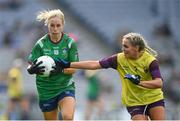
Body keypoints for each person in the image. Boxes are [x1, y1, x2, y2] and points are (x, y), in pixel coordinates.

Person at [56, 32, 165, 120]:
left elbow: (159, 83)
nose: (123, 49)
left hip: (153, 98)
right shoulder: (119, 59)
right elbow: (95, 64)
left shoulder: (150, 61)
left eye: (126, 46)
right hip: (134, 101)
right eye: (122, 46)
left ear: (136, 48)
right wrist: (69, 64)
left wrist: (139, 82)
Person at [27, 9, 79, 120]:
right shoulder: (40, 44)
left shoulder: (70, 43)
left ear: (63, 25)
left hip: (65, 86)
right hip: (46, 90)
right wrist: (30, 69)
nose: (55, 29)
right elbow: (31, 64)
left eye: (58, 25)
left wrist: (60, 70)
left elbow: (74, 68)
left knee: (68, 117)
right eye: (52, 25)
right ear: (47, 26)